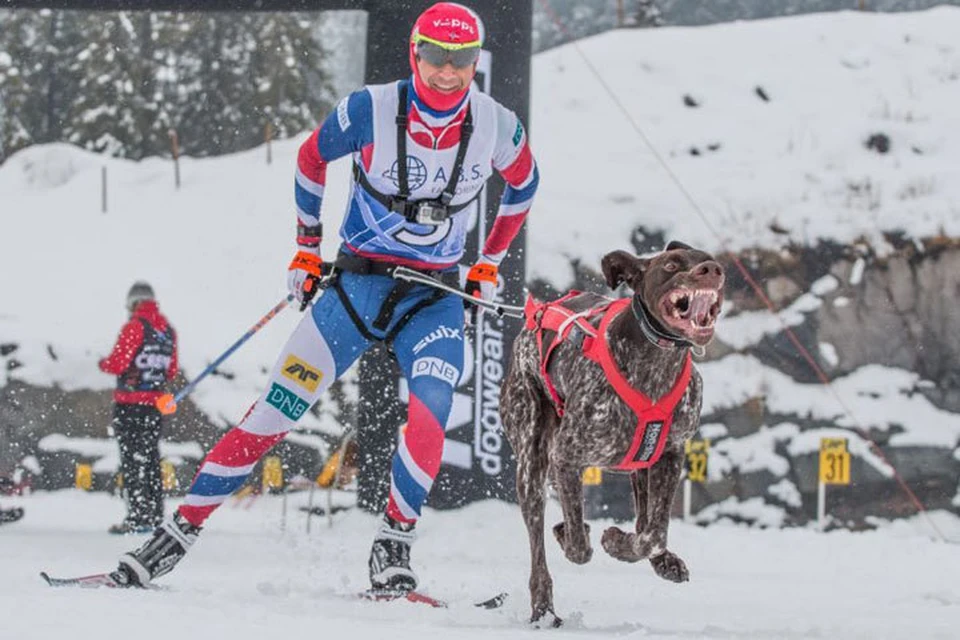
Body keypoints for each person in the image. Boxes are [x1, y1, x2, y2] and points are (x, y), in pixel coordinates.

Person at [112, 1, 538, 591]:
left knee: (432, 409)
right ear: (414, 53)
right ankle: (175, 534)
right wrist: (307, 248)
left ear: (474, 63)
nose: (446, 72)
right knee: (274, 411)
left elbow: (524, 184)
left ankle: (393, 544)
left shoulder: (496, 124)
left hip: (432, 299)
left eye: (460, 61)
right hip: (356, 288)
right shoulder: (370, 108)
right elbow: (312, 158)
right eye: (435, 57)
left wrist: (488, 263)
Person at [99, 281, 178, 534]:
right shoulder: (168, 331)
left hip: (129, 406)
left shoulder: (134, 327)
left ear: (133, 303)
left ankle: (138, 516)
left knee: (133, 462)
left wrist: (103, 363)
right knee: (152, 459)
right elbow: (171, 370)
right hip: (155, 407)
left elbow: (117, 364)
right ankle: (155, 515)